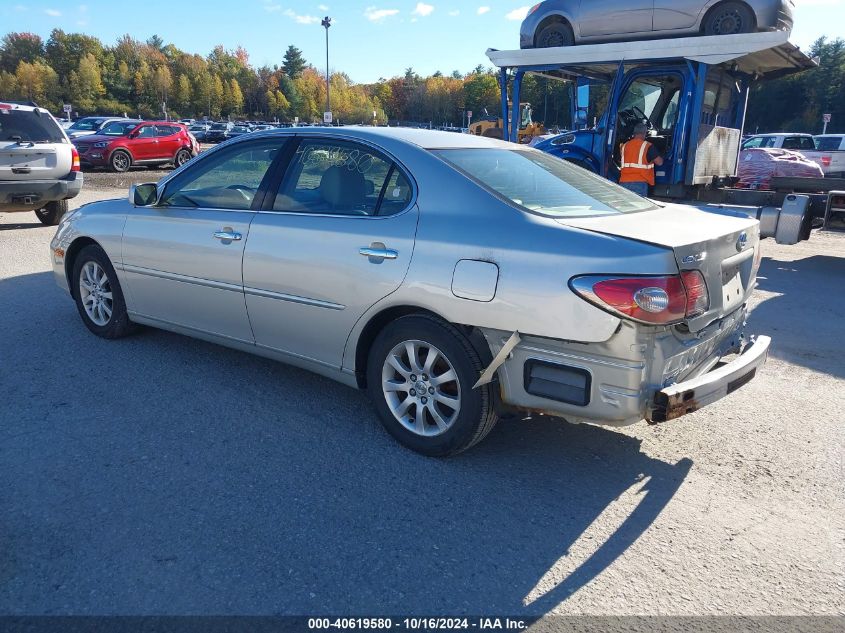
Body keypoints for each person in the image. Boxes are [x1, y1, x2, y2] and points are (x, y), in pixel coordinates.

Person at [618, 122, 663, 197]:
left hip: (623, 182)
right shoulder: (648, 146)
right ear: (644, 133)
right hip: (639, 183)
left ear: (634, 133)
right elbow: (659, 162)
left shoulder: (624, 146)